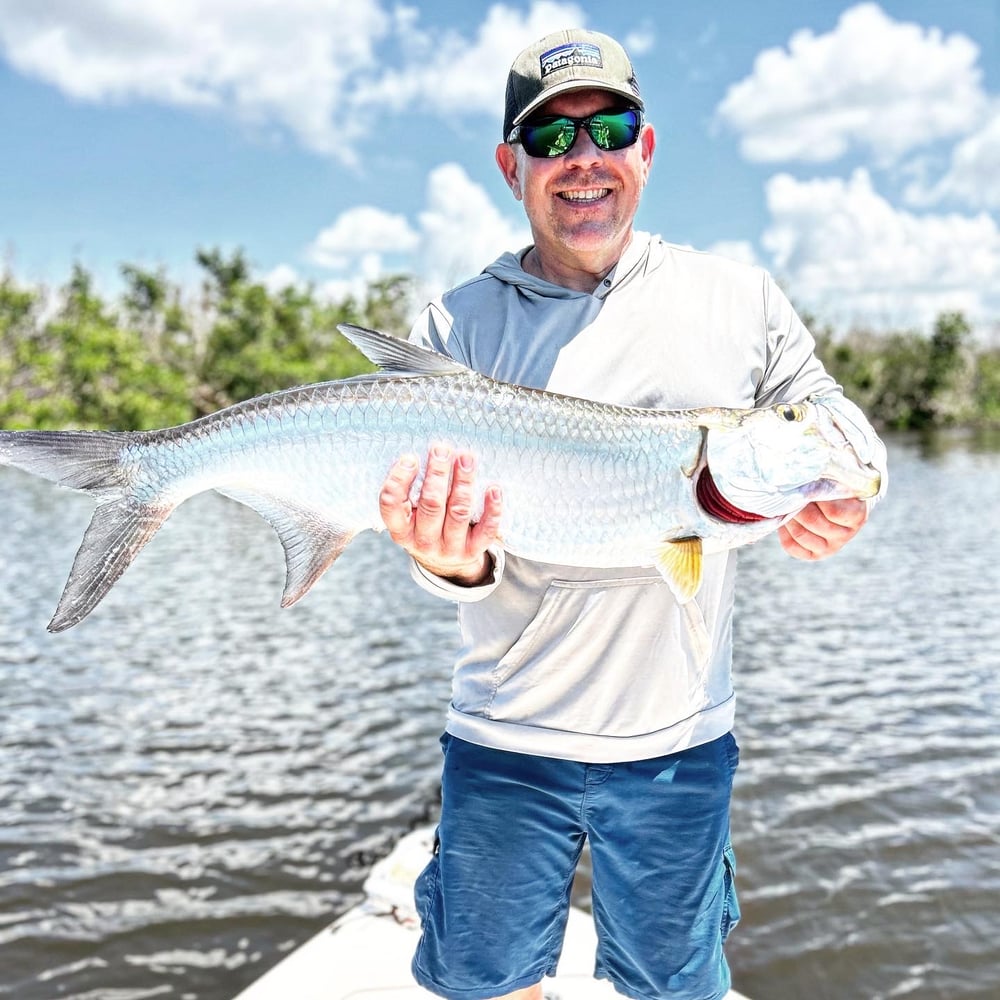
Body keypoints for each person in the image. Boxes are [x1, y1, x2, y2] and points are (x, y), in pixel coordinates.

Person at [377, 27, 887, 1000]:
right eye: (551, 138)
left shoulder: (738, 299)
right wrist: (443, 558)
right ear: (509, 164)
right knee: (482, 981)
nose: (583, 160)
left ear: (643, 148)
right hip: (501, 737)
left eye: (608, 128)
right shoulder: (457, 323)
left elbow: (831, 422)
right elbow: (439, 555)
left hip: (677, 748)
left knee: (672, 984)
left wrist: (858, 486)